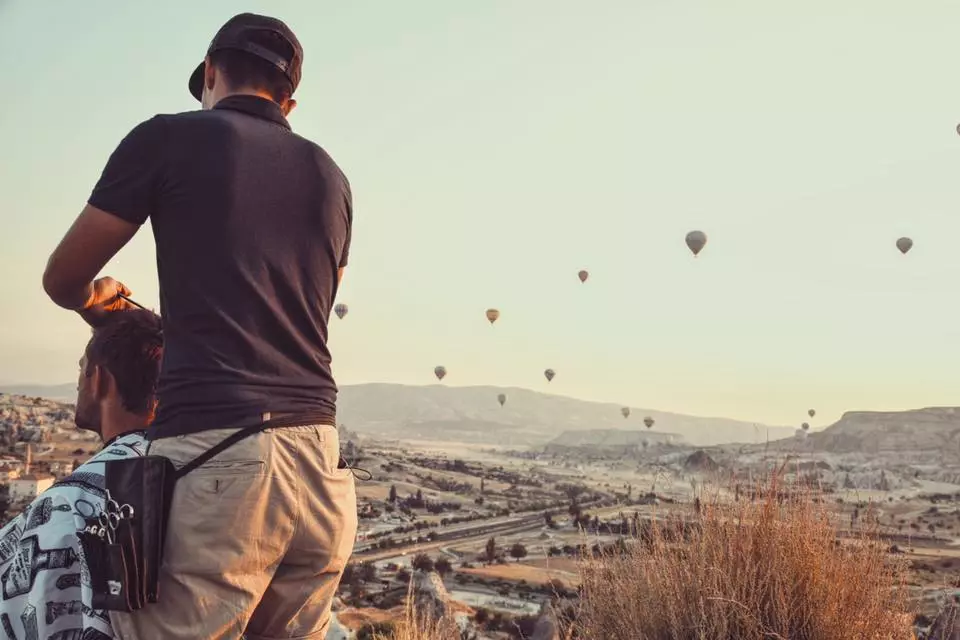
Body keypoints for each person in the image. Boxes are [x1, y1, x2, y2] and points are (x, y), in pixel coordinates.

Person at [41, 12, 357, 640]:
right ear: (289, 99)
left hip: (220, 460)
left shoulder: (166, 139)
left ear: (210, 73)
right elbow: (311, 310)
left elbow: (61, 277)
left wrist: (96, 301)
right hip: (322, 467)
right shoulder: (332, 178)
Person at [0, 309, 163, 639]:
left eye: (81, 370)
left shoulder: (66, 505)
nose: (77, 382)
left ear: (99, 379)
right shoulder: (198, 475)